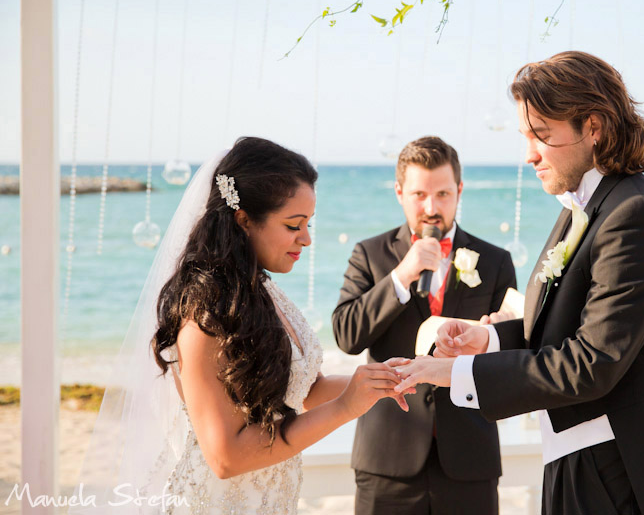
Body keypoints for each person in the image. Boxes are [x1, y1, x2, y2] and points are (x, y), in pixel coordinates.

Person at [394, 52, 644, 515]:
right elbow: (572, 324)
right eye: (525, 137)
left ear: (592, 127)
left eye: (542, 135)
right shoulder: (584, 208)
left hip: (621, 469)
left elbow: (593, 361)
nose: (529, 153)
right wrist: (489, 339)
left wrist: (452, 373)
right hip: (579, 454)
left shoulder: (635, 215)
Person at [73, 137, 411, 515]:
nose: (307, 239)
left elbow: (302, 387)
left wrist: (381, 378)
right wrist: (346, 409)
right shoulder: (204, 316)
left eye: (308, 224)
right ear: (244, 219)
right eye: (293, 225)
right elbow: (225, 458)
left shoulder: (263, 292)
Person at [333, 136, 517, 515]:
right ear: (400, 192)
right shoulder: (369, 255)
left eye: (443, 194)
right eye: (419, 194)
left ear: (460, 190)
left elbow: (513, 355)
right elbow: (346, 336)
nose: (431, 208)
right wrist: (401, 276)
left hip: (470, 458)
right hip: (386, 460)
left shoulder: (496, 261)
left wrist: (491, 336)